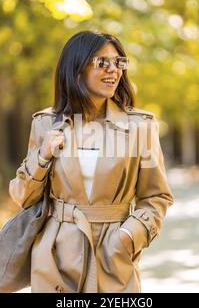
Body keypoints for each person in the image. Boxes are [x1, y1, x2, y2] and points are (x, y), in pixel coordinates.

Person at [9, 30, 173, 293]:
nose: (113, 70)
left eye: (119, 63)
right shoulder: (45, 123)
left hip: (114, 258)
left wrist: (129, 236)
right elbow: (23, 197)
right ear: (77, 69)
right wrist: (42, 157)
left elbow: (157, 197)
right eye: (102, 62)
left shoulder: (140, 127)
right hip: (56, 259)